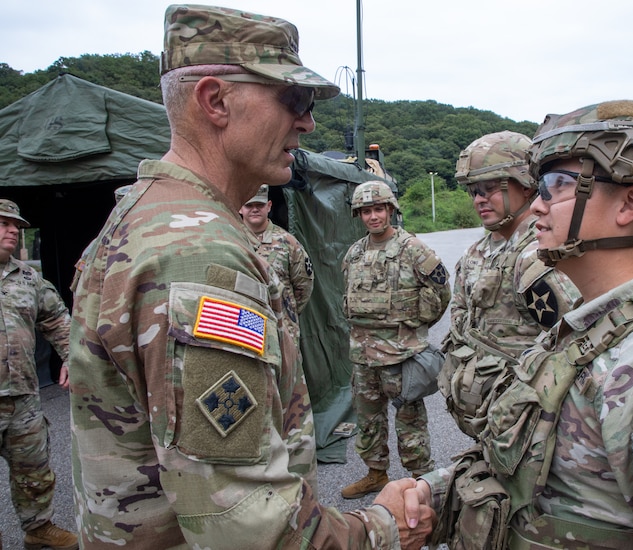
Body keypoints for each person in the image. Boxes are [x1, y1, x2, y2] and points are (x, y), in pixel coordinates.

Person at [68, 5, 431, 548]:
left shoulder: (145, 215)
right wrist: (382, 528)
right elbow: (245, 527)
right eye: (295, 100)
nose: (307, 122)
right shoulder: (196, 255)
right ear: (215, 101)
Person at [404, 100, 633, 549]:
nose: (537, 206)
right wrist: (432, 492)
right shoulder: (586, 334)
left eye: (555, 186)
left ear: (629, 203)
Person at [439, 130, 580, 439]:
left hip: (526, 427)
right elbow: (461, 324)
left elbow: (575, 348)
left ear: (527, 185)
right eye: (473, 191)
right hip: (489, 419)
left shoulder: (539, 255)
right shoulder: (478, 251)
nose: (479, 199)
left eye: (491, 188)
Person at [340, 180, 451, 499]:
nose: (373, 217)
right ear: (358, 215)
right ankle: (376, 474)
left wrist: (417, 326)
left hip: (401, 357)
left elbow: (442, 292)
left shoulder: (412, 249)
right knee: (368, 421)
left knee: (410, 423)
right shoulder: (355, 253)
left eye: (378, 209)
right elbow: (348, 296)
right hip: (363, 357)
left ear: (390, 210)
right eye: (365, 211)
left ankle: (422, 479)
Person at [0, 199, 78, 550]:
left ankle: (38, 529)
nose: (14, 230)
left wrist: (71, 357)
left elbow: (57, 320)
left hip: (22, 397)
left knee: (34, 470)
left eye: (16, 225)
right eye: (3, 223)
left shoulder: (29, 278)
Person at [240, 184, 314, 339]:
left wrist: (286, 311)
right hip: (245, 328)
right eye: (249, 205)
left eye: (259, 205)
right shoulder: (232, 238)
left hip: (282, 330)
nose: (255, 209)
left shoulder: (288, 243)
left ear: (269, 206)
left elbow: (304, 286)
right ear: (240, 208)